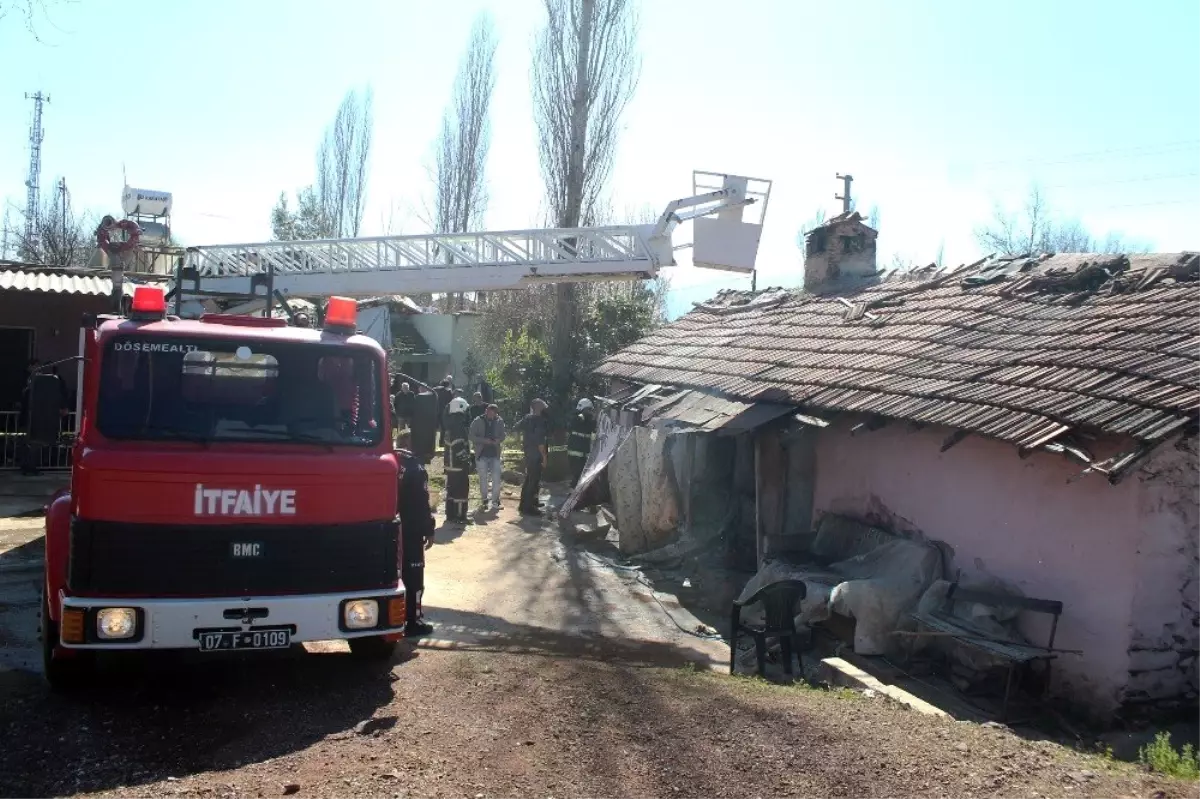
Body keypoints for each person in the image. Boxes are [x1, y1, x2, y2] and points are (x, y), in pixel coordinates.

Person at [396, 430, 435, 637]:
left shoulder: (391, 461)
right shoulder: (415, 466)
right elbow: (422, 501)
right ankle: (412, 620)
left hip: (390, 527)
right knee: (414, 576)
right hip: (411, 530)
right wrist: (429, 529)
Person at [513, 398, 549, 516]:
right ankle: (529, 508)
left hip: (528, 453)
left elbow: (515, 428)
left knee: (530, 479)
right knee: (533, 481)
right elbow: (540, 442)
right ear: (538, 407)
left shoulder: (527, 418)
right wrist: (544, 457)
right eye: (542, 405)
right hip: (536, 455)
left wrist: (520, 442)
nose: (545, 407)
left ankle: (526, 504)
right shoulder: (539, 421)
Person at [469, 403, 505, 511]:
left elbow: (503, 435)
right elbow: (471, 436)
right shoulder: (477, 421)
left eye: (493, 413)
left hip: (495, 454)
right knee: (483, 479)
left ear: (496, 413)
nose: (490, 415)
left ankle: (495, 501)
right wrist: (484, 440)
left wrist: (499, 440)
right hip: (481, 454)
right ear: (486, 411)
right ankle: (484, 500)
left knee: (496, 478)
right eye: (489, 412)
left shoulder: (500, 421)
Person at [443, 396, 472, 522]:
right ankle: (460, 516)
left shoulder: (449, 426)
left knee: (451, 489)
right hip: (459, 465)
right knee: (461, 490)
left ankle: (450, 515)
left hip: (450, 465)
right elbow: (459, 448)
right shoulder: (460, 428)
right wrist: (468, 462)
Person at [567, 398, 597, 488]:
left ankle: (576, 494)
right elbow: (572, 425)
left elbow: (594, 433)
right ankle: (573, 496)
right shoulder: (576, 418)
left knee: (581, 475)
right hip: (575, 453)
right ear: (584, 409)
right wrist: (583, 415)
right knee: (577, 475)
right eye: (589, 409)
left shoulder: (590, 421)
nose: (590, 411)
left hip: (584, 453)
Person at [433, 376, 453, 448]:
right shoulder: (448, 391)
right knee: (443, 428)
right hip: (443, 412)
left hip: (435, 411)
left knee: (434, 428)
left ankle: (432, 443)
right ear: (447, 384)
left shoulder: (434, 390)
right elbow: (450, 402)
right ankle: (441, 443)